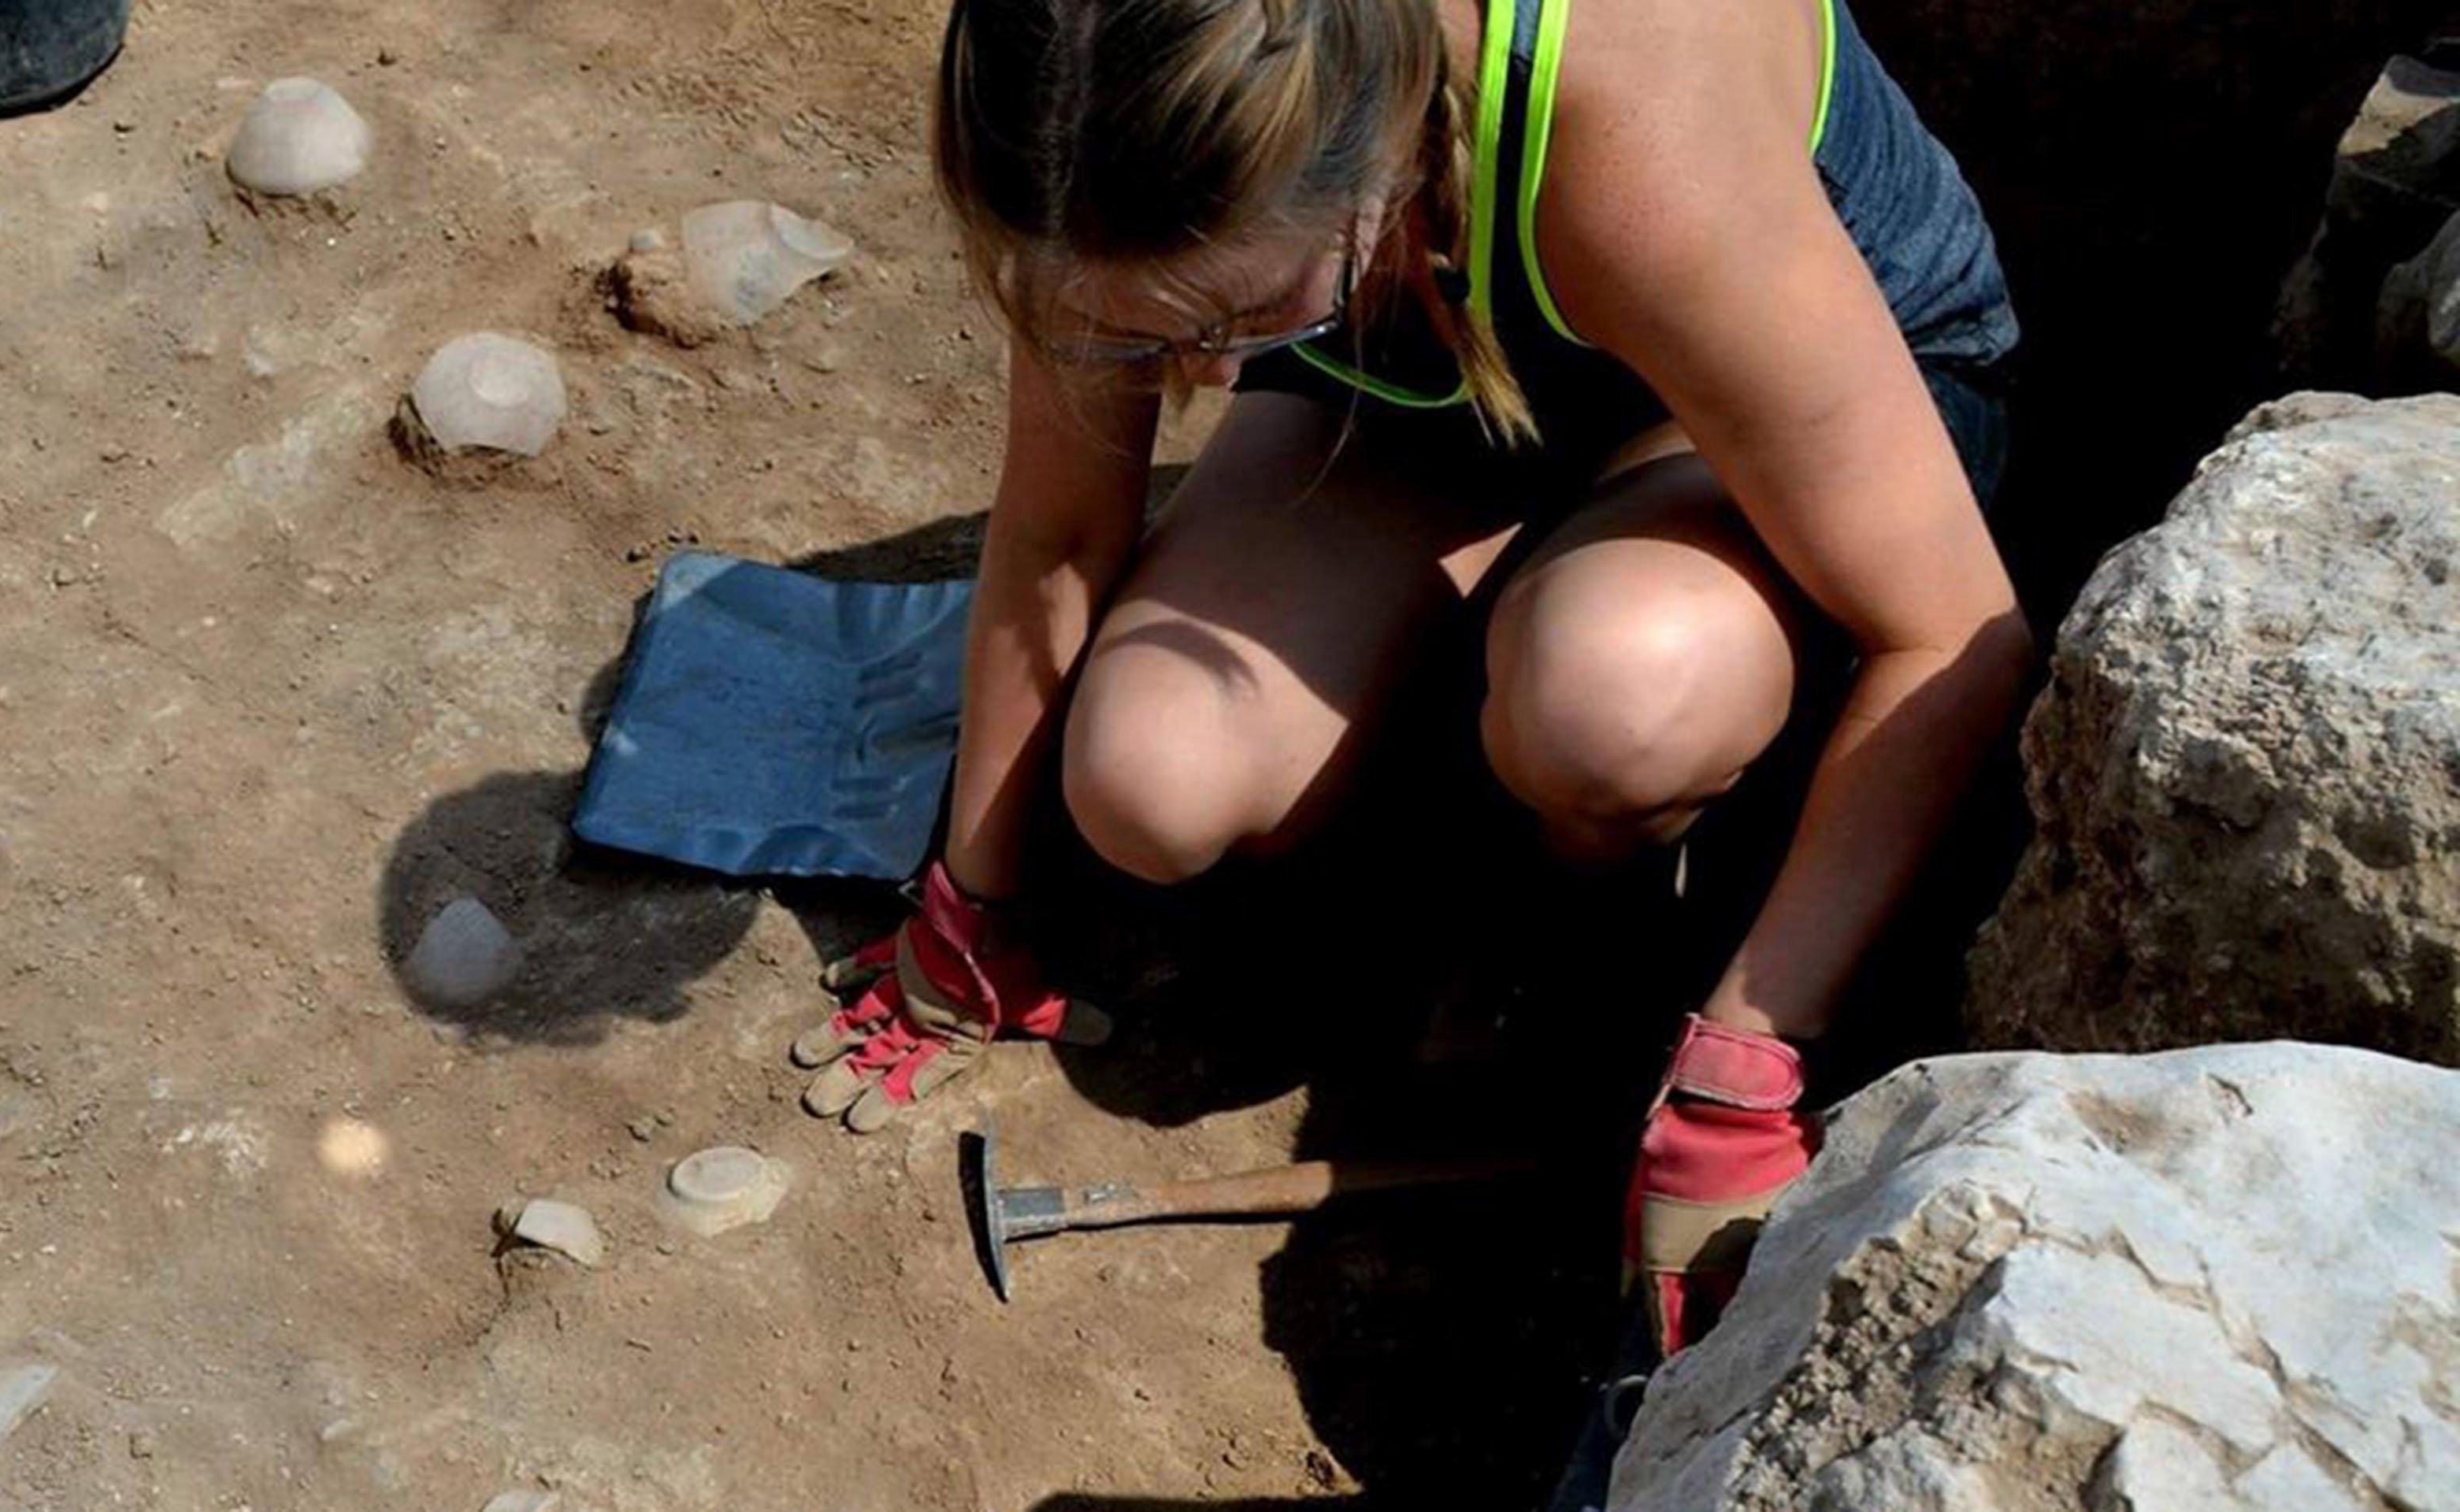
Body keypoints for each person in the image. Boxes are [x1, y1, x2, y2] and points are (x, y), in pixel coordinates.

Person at [793, 0, 2035, 1356]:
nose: (1199, 376)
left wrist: (1748, 1069)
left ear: (1380, 158)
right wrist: (974, 902)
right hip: (1431, 384)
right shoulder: (1095, 96)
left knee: (1619, 700)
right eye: (1140, 338)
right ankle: (1474, 754)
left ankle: (1573, 919)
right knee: (1150, 780)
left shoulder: (1627, 114)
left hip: (1755, 394)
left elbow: (1957, 636)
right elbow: (1060, 527)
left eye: (1234, 318)